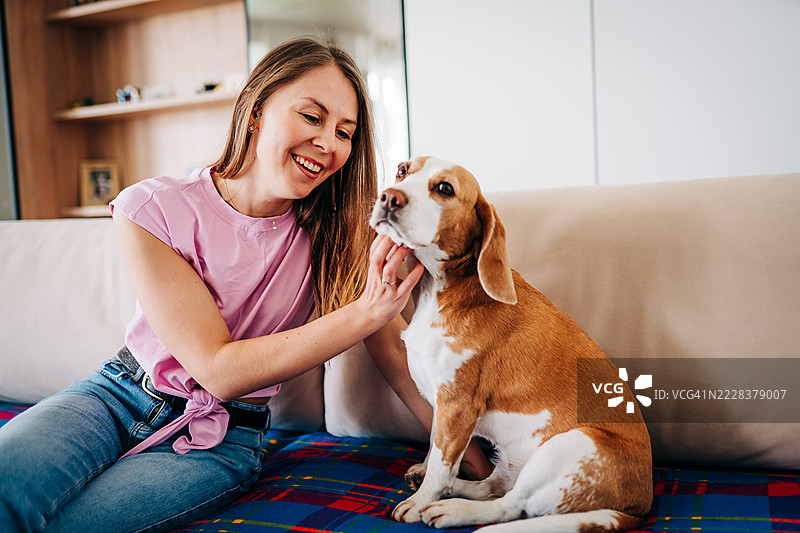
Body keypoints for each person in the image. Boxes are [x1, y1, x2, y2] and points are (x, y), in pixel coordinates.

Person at [0, 37, 489, 532]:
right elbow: (217, 369)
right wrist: (366, 311)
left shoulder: (338, 233)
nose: (329, 143)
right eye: (312, 117)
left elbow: (398, 353)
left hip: (223, 440)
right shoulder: (149, 208)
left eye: (345, 132)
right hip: (115, 398)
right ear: (256, 110)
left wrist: (468, 461)